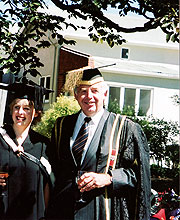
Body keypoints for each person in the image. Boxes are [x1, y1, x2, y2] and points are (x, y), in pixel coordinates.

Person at [46, 67, 151, 220]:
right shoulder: (62, 125)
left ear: (105, 94)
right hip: (64, 209)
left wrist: (108, 178)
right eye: (83, 91)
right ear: (75, 95)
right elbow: (53, 167)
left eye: (94, 91)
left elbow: (139, 175)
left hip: (102, 210)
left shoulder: (124, 128)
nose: (88, 96)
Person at [0, 81, 52, 220]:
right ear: (11, 110)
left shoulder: (43, 145)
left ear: (36, 113)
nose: (20, 112)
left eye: (27, 108)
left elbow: (47, 187)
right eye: (17, 107)